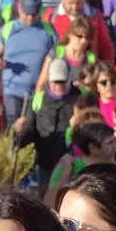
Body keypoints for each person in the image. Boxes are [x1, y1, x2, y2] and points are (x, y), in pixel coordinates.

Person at [0, 0, 56, 125]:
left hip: (39, 92)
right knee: (14, 127)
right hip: (12, 89)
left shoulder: (48, 31)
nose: (30, 18)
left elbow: (57, 55)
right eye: (27, 14)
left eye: (34, 14)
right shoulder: (7, 29)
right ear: (19, 9)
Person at [14, 58, 81, 188]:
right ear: (49, 81)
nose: (59, 86)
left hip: (71, 163)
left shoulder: (79, 100)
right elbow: (27, 137)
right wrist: (19, 131)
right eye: (56, 82)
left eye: (63, 81)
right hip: (44, 164)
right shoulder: (38, 101)